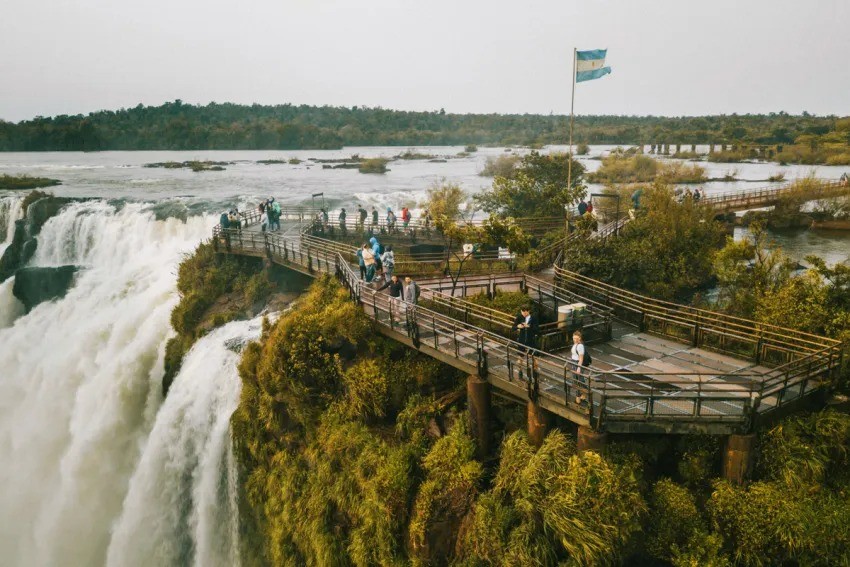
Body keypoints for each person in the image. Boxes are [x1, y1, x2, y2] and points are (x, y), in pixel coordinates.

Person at [571, 330, 592, 404]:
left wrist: (579, 367)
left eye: (577, 338)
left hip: (577, 363)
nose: (575, 340)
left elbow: (581, 358)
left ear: (580, 338)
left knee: (578, 380)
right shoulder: (575, 345)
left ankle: (579, 397)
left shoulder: (580, 346)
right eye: (574, 338)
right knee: (577, 380)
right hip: (573, 362)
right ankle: (584, 393)